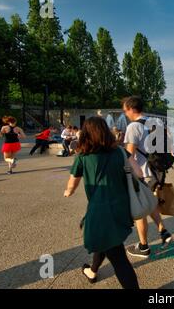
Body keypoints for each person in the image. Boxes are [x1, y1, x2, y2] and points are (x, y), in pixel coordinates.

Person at [64, 117, 140, 289]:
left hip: (101, 210)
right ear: (106, 131)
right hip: (121, 206)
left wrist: (68, 192)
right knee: (106, 240)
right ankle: (92, 271)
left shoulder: (83, 155)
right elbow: (138, 172)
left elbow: (72, 183)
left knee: (118, 258)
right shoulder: (120, 152)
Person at [122, 96, 174, 258]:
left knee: (140, 209)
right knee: (151, 203)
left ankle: (144, 246)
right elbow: (168, 142)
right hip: (158, 170)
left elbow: (129, 155)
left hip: (143, 173)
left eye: (125, 110)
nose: (125, 114)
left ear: (131, 109)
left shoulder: (133, 127)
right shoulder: (156, 122)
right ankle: (163, 232)